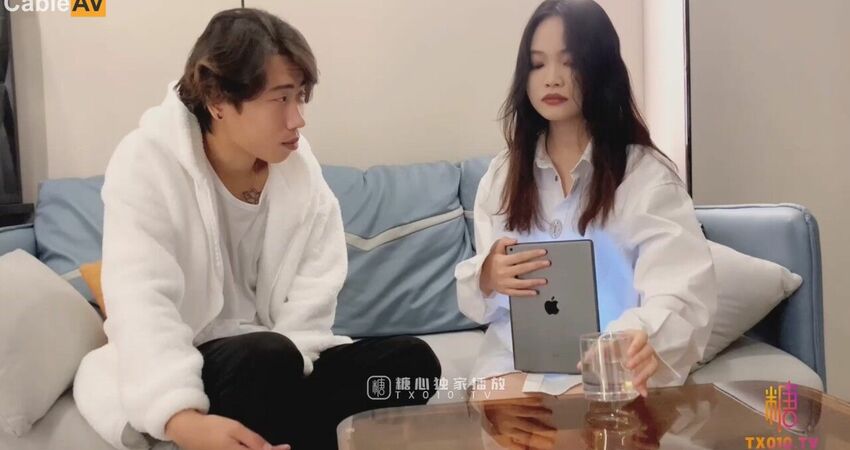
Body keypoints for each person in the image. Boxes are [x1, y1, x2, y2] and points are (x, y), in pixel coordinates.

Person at [74, 8, 440, 450]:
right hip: (200, 365)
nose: (297, 119)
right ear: (217, 100)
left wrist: (298, 366)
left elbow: (314, 295)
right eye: (280, 99)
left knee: (412, 363)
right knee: (265, 357)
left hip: (286, 360)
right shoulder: (147, 163)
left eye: (300, 97)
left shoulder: (299, 172)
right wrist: (183, 421)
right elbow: (142, 303)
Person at [455, 0, 717, 406]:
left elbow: (680, 292)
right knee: (502, 411)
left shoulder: (645, 176)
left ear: (600, 68)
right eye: (537, 64)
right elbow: (484, 308)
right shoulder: (503, 175)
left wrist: (640, 336)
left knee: (590, 413)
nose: (552, 79)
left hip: (611, 371)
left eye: (570, 62)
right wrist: (487, 276)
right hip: (513, 367)